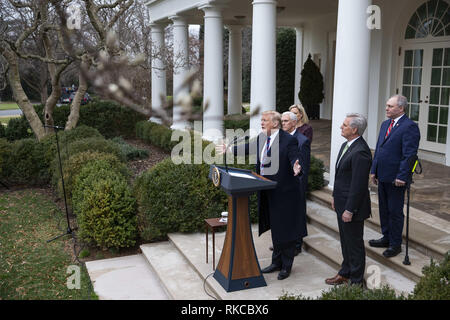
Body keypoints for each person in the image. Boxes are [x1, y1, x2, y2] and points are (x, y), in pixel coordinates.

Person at [217, 111, 303, 280]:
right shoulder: (262, 138)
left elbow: (294, 157)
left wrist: (296, 167)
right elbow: (247, 147)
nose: (261, 123)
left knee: (285, 229)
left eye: (265, 120)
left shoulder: (289, 140)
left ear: (276, 124)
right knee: (275, 228)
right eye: (261, 120)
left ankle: (286, 266)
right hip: (266, 190)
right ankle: (276, 262)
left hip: (284, 193)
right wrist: (229, 149)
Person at [369, 95, 420, 258]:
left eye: (390, 106)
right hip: (382, 174)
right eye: (387, 105)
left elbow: (409, 155)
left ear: (401, 108)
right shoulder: (385, 125)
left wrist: (402, 176)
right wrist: (373, 170)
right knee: (384, 209)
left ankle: (395, 244)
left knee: (395, 211)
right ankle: (386, 237)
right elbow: (379, 149)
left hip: (396, 178)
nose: (386, 108)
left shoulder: (409, 127)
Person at [325, 113, 372, 286]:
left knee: (355, 245)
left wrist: (349, 209)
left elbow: (358, 185)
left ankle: (357, 281)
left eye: (344, 125)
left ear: (354, 129)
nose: (341, 127)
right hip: (341, 201)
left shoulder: (361, 151)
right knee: (345, 242)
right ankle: (345, 272)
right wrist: (334, 197)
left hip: (352, 208)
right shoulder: (347, 145)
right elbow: (341, 177)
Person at [281, 112, 311, 255]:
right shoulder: (280, 138)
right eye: (282, 121)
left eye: (286, 121)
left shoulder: (302, 140)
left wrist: (298, 187)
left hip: (296, 185)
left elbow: (303, 167)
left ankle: (297, 244)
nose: (283, 123)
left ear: (294, 123)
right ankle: (284, 242)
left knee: (297, 215)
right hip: (283, 184)